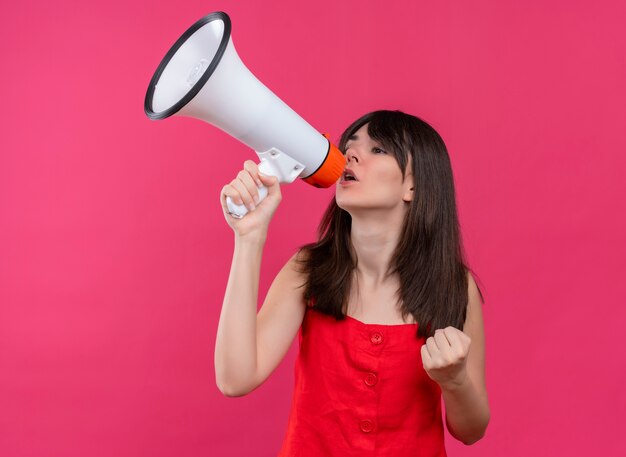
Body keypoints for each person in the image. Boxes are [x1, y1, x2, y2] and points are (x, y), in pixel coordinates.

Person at [214, 110, 490, 456]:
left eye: (378, 150)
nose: (351, 154)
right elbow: (234, 378)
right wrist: (248, 238)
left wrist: (455, 380)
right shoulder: (308, 270)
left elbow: (471, 430)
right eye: (350, 145)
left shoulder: (454, 285)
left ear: (414, 185)